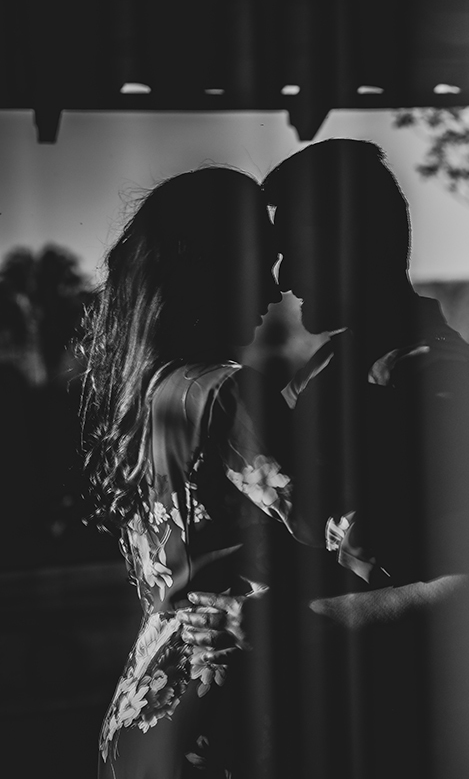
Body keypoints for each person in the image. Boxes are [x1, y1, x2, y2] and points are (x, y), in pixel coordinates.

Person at [256, 138, 469, 779]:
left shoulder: (435, 379)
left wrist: (312, 622)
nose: (283, 278)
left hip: (423, 720)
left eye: (295, 249)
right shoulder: (324, 368)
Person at [80, 167, 328, 778]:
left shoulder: (146, 395)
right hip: (220, 720)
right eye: (262, 262)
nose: (274, 290)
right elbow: (338, 532)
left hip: (141, 712)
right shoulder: (226, 393)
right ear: (212, 268)